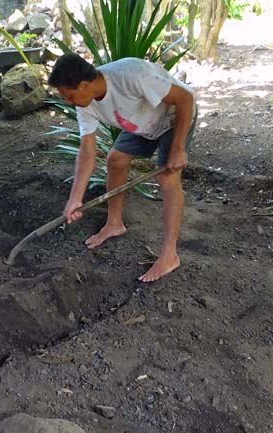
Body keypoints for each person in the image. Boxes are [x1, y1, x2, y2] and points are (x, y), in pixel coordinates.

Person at [48, 53, 196, 283]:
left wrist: (178, 148)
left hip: (174, 117)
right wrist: (75, 198)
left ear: (84, 85)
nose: (69, 102)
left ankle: (169, 255)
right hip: (142, 125)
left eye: (69, 96)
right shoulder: (85, 104)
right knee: (115, 160)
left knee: (168, 178)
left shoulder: (131, 75)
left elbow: (185, 98)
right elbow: (87, 152)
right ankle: (114, 223)